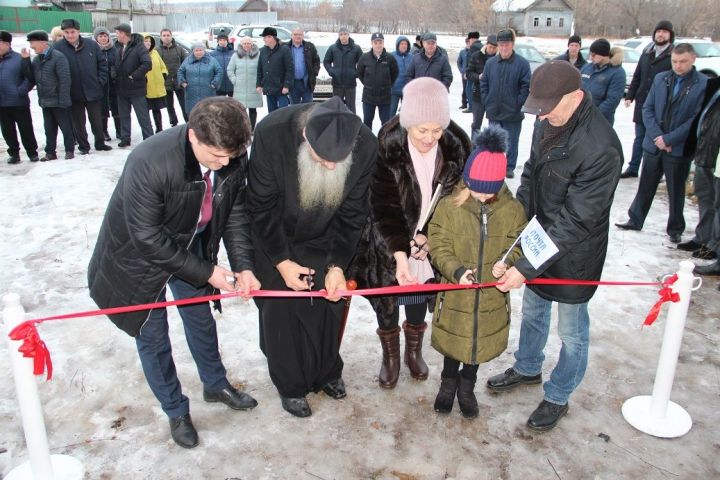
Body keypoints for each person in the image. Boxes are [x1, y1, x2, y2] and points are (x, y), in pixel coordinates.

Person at [87, 97, 260, 449]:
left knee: (199, 317)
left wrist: (244, 264)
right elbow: (147, 238)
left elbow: (235, 211)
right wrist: (208, 272)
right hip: (137, 260)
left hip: (191, 242)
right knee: (152, 335)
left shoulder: (231, 154)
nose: (225, 163)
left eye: (231, 155)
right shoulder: (149, 161)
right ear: (193, 137)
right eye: (216, 156)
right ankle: (176, 409)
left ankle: (215, 383)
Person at [486, 60, 623, 432]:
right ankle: (528, 367)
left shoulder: (601, 148)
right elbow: (531, 173)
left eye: (549, 108)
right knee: (533, 311)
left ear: (575, 97)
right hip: (539, 240)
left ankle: (559, 393)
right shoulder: (546, 121)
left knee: (571, 331)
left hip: (575, 253)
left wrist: (524, 267)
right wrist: (515, 234)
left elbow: (576, 221)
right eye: (538, 109)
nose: (542, 116)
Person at [247, 97, 377, 418]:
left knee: (328, 305)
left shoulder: (367, 145)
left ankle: (327, 371)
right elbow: (260, 207)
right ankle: (289, 384)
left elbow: (353, 212)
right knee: (281, 310)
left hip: (327, 234)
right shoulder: (272, 133)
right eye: (323, 158)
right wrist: (281, 261)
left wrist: (336, 264)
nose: (332, 166)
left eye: (339, 159)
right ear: (305, 136)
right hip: (275, 234)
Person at [350, 78, 471, 390]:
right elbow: (383, 207)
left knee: (419, 295)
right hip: (391, 242)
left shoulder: (457, 152)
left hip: (432, 244)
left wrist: (430, 239)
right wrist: (400, 253)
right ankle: (390, 356)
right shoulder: (388, 151)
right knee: (389, 299)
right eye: (421, 130)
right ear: (407, 123)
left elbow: (456, 207)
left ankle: (413, 351)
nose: (430, 138)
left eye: (437, 130)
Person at [429, 125, 526, 419]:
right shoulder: (449, 206)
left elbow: (519, 243)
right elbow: (438, 242)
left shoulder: (513, 210)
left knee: (476, 344)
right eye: (476, 191)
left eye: (489, 193)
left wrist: (508, 264)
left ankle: (467, 386)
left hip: (490, 297)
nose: (482, 198)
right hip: (457, 294)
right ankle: (448, 383)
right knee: (454, 342)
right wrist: (455, 270)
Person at [615, 44, 708, 244]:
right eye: (675, 61)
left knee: (676, 190)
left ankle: (675, 228)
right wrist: (658, 136)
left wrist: (669, 139)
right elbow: (647, 109)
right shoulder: (661, 78)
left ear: (693, 59)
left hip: (678, 148)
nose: (678, 66)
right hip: (654, 144)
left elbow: (695, 119)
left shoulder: (702, 84)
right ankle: (636, 218)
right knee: (646, 184)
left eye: (683, 62)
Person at [622, 20, 675, 178]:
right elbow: (638, 76)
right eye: (658, 31)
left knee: (655, 138)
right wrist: (630, 96)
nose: (661, 34)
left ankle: (653, 172)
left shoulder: (672, 56)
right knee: (639, 137)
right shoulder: (647, 52)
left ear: (670, 35)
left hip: (661, 106)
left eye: (665, 32)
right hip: (642, 101)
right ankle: (633, 167)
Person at [54, 18, 112, 154]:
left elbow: (102, 64)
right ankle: (84, 146)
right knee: (78, 123)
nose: (70, 35)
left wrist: (100, 81)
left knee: (96, 120)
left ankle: (100, 143)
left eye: (72, 32)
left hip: (93, 90)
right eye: (66, 32)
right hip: (73, 92)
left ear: (78, 31)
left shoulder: (91, 45)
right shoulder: (58, 48)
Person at [679, 76, 720, 263]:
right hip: (704, 154)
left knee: (716, 203)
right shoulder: (713, 85)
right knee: (705, 197)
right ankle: (703, 238)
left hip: (714, 157)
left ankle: (713, 245)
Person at [480, 28, 531, 178]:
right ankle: (494, 165)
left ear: (512, 44)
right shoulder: (491, 63)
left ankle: (508, 167)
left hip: (513, 112)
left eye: (507, 44)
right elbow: (484, 83)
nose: (504, 47)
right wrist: (487, 100)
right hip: (494, 110)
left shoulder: (522, 64)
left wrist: (518, 103)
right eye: (501, 44)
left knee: (511, 141)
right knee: (494, 141)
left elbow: (526, 86)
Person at [21, 30, 75, 161]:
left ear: (43, 42)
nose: (31, 46)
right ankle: (50, 152)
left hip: (59, 100)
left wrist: (63, 100)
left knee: (66, 127)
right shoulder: (37, 59)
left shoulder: (58, 57)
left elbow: (65, 80)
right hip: (45, 100)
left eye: (33, 42)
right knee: (49, 129)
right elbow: (31, 78)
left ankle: (69, 150)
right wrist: (26, 61)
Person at [0, 30, 39, 164]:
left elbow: (29, 78)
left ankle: (32, 153)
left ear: (7, 44)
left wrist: (20, 91)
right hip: (2, 104)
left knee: (26, 129)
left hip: (18, 102)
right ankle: (14, 154)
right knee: (7, 131)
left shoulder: (19, 59)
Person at [114, 23, 154, 147]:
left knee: (143, 116)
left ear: (123, 33)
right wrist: (114, 74)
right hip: (122, 88)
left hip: (136, 88)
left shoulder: (139, 47)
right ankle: (125, 138)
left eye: (117, 33)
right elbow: (114, 64)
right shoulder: (119, 47)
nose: (116, 35)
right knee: (124, 115)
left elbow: (147, 64)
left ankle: (149, 139)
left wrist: (133, 76)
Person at [357, 32, 398, 129]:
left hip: (385, 97)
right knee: (367, 122)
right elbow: (360, 73)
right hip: (368, 97)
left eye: (380, 42)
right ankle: (368, 143)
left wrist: (387, 85)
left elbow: (394, 73)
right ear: (372, 43)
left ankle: (384, 143)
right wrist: (368, 84)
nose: (378, 45)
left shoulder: (390, 58)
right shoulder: (364, 57)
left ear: (383, 43)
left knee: (386, 124)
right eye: (376, 43)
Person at [580, 39, 625, 126]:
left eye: (593, 55)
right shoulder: (587, 68)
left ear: (603, 55)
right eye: (590, 54)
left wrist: (593, 115)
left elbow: (612, 100)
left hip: (600, 121)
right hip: (580, 117)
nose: (590, 58)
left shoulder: (617, 72)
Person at [323, 27, 362, 113]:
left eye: (345, 34)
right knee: (336, 108)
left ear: (348, 35)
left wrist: (355, 73)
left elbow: (362, 64)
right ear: (338, 36)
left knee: (351, 109)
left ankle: (351, 126)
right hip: (337, 83)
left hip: (350, 84)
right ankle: (336, 125)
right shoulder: (333, 48)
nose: (343, 36)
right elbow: (326, 62)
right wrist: (332, 72)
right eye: (341, 34)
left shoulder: (356, 48)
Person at [227, 36, 263, 131]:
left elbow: (263, 69)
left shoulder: (259, 54)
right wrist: (234, 80)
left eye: (248, 43)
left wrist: (260, 82)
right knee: (240, 110)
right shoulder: (235, 56)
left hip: (254, 87)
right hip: (240, 87)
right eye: (244, 43)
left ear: (252, 44)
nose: (246, 45)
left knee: (252, 109)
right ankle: (243, 128)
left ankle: (251, 129)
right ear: (241, 45)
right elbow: (230, 69)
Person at [466, 34, 497, 141]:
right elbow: (468, 73)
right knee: (476, 124)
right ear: (486, 45)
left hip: (493, 97)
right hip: (478, 95)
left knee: (493, 125)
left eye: (494, 48)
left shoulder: (499, 58)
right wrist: (478, 77)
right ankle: (473, 146)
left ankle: (491, 148)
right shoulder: (476, 56)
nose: (492, 49)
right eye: (490, 47)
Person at [178, 43, 223, 115]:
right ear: (193, 51)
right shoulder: (187, 60)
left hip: (208, 91)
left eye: (201, 50)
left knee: (208, 113)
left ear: (204, 50)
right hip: (191, 92)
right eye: (196, 50)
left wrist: (214, 83)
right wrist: (182, 82)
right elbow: (180, 71)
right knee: (193, 114)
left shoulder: (212, 60)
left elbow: (219, 71)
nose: (199, 52)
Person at [256, 27, 293, 113]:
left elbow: (290, 69)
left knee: (283, 113)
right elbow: (260, 68)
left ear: (271, 37)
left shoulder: (284, 50)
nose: (264, 39)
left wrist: (286, 85)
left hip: (281, 88)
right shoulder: (263, 50)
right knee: (272, 114)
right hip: (269, 87)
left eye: (265, 37)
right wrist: (259, 84)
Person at [93, 27, 120, 142]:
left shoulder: (114, 49)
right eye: (100, 36)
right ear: (96, 38)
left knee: (117, 108)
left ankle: (119, 130)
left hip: (114, 84)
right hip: (100, 85)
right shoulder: (94, 50)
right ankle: (104, 131)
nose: (103, 38)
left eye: (105, 36)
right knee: (102, 109)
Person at [158, 28, 189, 126]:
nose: (166, 37)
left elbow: (186, 64)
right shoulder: (157, 51)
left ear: (171, 36)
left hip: (179, 81)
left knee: (183, 104)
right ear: (161, 37)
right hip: (165, 83)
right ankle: (173, 122)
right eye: (164, 35)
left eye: (168, 35)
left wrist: (184, 78)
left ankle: (188, 121)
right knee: (169, 105)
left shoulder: (179, 49)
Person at [288, 27, 320, 104]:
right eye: (295, 34)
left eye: (300, 34)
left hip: (306, 83)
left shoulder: (310, 47)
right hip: (292, 84)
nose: (298, 36)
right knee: (294, 109)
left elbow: (316, 61)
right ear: (291, 35)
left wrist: (314, 73)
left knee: (308, 108)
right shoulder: (286, 48)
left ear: (303, 36)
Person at [143, 35, 168, 133]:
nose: (148, 43)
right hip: (146, 87)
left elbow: (163, 66)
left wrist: (163, 75)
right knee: (145, 111)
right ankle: (148, 130)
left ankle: (159, 128)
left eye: (149, 41)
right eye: (145, 41)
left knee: (156, 109)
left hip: (157, 87)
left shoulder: (155, 53)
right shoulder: (139, 54)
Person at [389, 35, 412, 115]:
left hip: (407, 91)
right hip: (394, 90)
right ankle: (389, 127)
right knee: (391, 112)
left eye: (405, 44)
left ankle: (404, 128)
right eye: (401, 44)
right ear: (397, 45)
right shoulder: (391, 56)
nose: (403, 46)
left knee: (406, 114)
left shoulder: (412, 57)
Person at [209, 32, 234, 98]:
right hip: (219, 85)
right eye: (220, 40)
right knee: (219, 107)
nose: (222, 42)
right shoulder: (212, 54)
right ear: (217, 41)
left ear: (227, 41)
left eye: (224, 40)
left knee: (233, 106)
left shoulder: (234, 53)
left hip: (232, 85)